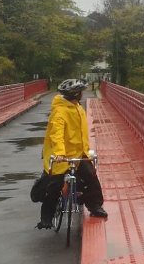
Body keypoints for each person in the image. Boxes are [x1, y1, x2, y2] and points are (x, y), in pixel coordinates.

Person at [36, 78, 107, 228]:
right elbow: (57, 134)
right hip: (60, 156)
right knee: (54, 185)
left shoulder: (77, 107)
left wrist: (86, 152)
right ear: (76, 94)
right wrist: (60, 153)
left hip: (79, 153)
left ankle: (95, 207)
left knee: (91, 178)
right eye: (81, 92)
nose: (82, 94)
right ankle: (46, 218)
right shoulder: (60, 112)